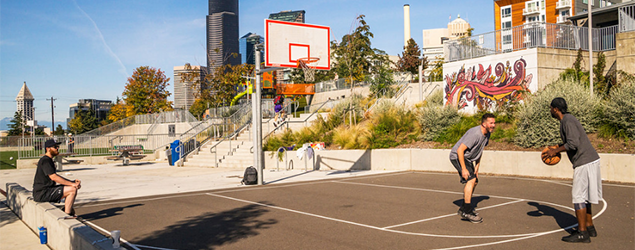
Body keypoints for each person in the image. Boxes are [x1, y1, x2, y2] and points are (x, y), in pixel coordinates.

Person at [544, 97, 601, 243]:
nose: (550, 110)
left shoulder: (567, 121)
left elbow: (573, 143)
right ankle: (589, 227)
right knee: (585, 196)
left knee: (578, 197)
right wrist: (557, 147)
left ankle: (582, 233)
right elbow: (571, 141)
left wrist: (555, 151)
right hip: (590, 159)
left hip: (584, 161)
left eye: (551, 108)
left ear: (555, 109)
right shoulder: (569, 119)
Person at [449, 113, 496, 223]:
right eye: (491, 123)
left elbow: (480, 151)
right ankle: (467, 211)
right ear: (484, 124)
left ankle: (464, 208)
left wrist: (477, 167)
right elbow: (460, 150)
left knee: (474, 181)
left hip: (468, 158)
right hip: (457, 156)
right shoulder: (475, 134)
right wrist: (464, 169)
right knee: (471, 180)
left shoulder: (487, 134)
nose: (493, 125)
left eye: (494, 123)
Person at [33, 139, 81, 216]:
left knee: (71, 187)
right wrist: (72, 184)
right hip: (42, 193)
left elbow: (56, 178)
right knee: (72, 190)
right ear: (48, 149)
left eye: (57, 146)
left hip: (48, 189)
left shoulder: (49, 160)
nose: (57, 148)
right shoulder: (45, 160)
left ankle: (67, 210)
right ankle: (67, 215)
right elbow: (54, 177)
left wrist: (72, 182)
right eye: (55, 147)